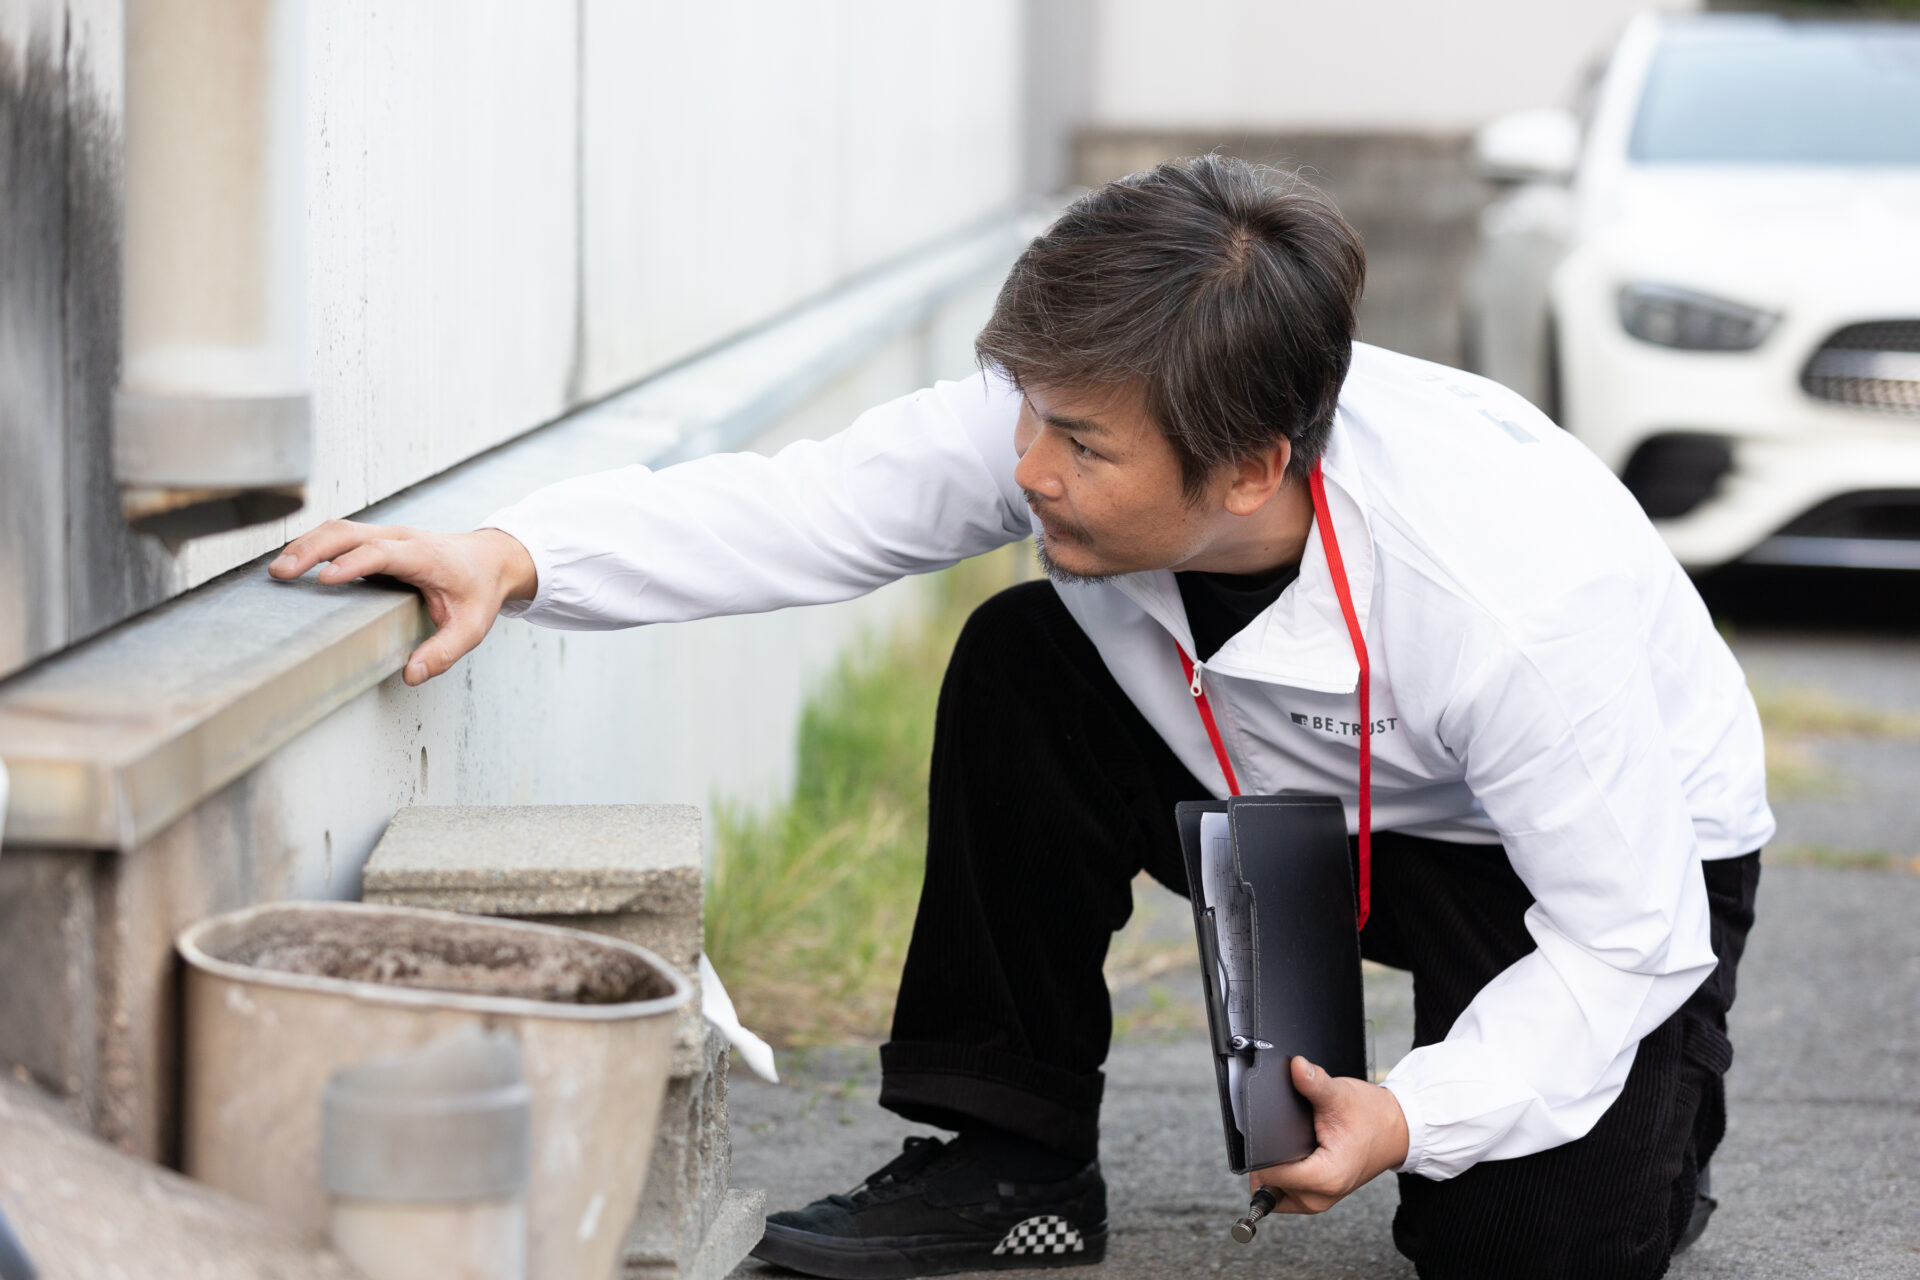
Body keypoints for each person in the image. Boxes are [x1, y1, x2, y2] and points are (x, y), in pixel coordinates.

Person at [270, 156, 1770, 1280]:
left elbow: (1624, 932)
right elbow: (814, 507)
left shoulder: (1512, 598)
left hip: (1577, 865)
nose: (1030, 466)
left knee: (1525, 1246)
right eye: (1023, 410)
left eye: (1081, 442)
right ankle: (1007, 1164)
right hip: (1287, 784)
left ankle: (1665, 1124)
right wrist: (512, 557)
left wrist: (1413, 1113)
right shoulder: (1089, 415)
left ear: (1250, 465)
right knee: (1025, 657)